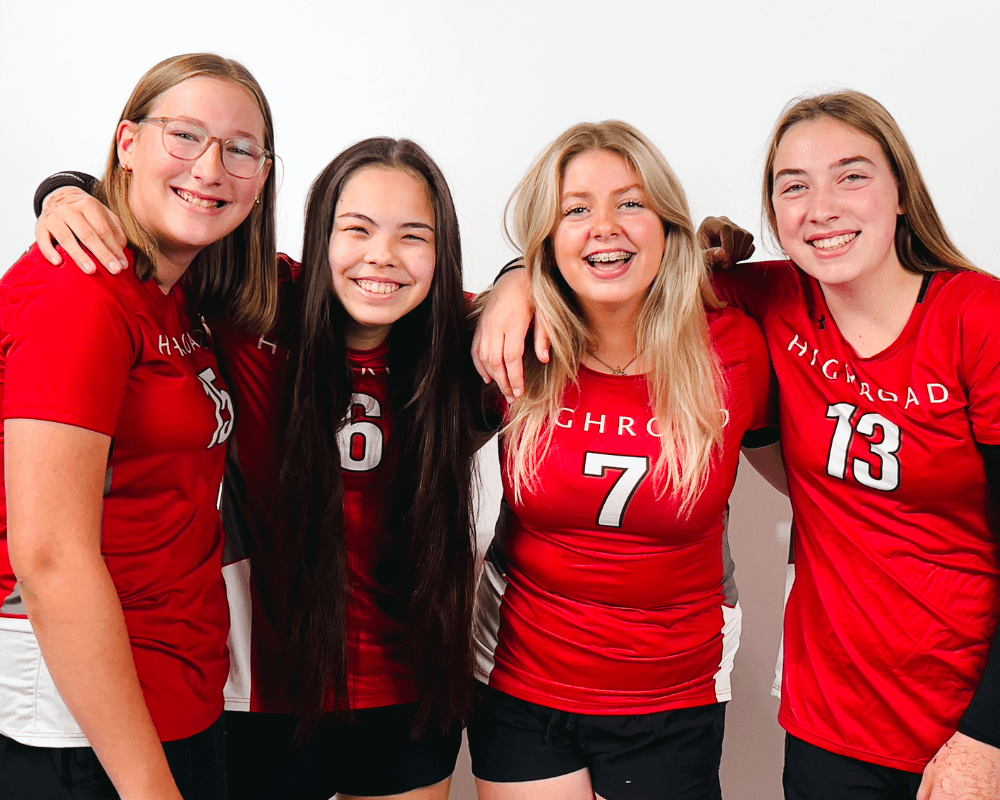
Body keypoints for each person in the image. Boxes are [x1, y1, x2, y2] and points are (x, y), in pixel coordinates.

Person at [474, 92, 1000, 800]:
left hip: (964, 706)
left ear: (901, 191)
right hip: (830, 718)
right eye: (794, 186)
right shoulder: (766, 303)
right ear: (774, 213)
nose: (822, 207)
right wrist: (514, 279)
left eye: (852, 176)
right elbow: (618, 259)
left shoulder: (974, 317)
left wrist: (987, 737)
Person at [32, 137, 482, 800]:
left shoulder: (464, 347)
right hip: (263, 697)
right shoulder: (259, 301)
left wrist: (516, 283)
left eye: (413, 235)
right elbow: (167, 223)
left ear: (441, 255)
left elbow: (566, 302)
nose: (381, 255)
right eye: (355, 228)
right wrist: (65, 192)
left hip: (410, 694)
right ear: (315, 231)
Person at [465, 120, 778, 800]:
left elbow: (806, 478)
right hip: (522, 686)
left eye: (630, 203)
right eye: (576, 210)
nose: (604, 226)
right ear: (547, 238)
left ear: (668, 226)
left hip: (674, 689)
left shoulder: (731, 344)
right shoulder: (513, 345)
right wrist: (513, 279)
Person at [0, 52, 277, 800]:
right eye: (183, 136)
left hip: (178, 691)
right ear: (127, 145)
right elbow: (49, 555)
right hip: (85, 727)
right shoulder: (79, 293)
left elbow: (366, 274)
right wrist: (148, 787)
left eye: (240, 149)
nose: (211, 168)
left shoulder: (185, 286)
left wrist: (514, 284)